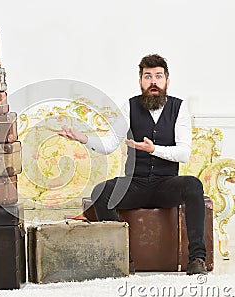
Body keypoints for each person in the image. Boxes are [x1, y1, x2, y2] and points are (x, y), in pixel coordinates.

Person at [58, 54, 207, 275]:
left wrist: (153, 149)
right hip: (135, 184)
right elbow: (109, 143)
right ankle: (123, 260)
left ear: (167, 80)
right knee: (101, 191)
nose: (153, 81)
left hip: (166, 185)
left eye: (158, 76)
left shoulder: (179, 108)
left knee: (193, 185)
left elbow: (184, 153)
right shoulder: (129, 107)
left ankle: (197, 259)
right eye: (148, 76)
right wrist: (84, 138)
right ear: (140, 81)